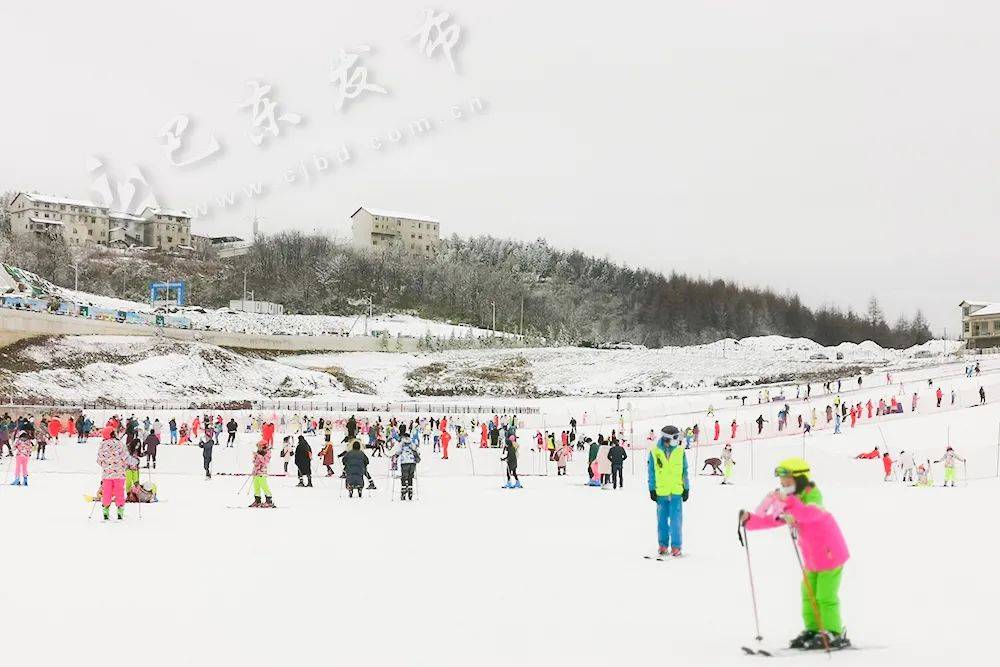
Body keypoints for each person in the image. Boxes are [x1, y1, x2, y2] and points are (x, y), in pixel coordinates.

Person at [739, 458, 851, 650]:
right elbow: (775, 519)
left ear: (800, 480)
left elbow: (812, 513)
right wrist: (750, 520)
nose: (784, 486)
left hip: (830, 555)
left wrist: (790, 505)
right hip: (812, 558)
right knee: (808, 595)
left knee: (825, 596)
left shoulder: (813, 495)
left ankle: (833, 632)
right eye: (782, 483)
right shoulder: (790, 500)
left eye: (788, 483)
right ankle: (814, 630)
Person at [647, 425, 689, 558]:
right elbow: (651, 472)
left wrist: (686, 488)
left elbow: (684, 471)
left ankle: (676, 546)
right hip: (661, 492)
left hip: (676, 492)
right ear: (667, 438)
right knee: (662, 521)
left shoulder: (680, 451)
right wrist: (652, 489)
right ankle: (663, 545)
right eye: (676, 437)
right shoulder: (655, 452)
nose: (678, 440)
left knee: (676, 521)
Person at [97, 429, 128, 520]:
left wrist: (105, 465)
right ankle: (120, 511)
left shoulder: (103, 445)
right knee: (119, 491)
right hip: (119, 473)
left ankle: (106, 510)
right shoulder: (120, 444)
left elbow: (99, 459)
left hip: (107, 474)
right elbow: (125, 457)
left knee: (107, 492)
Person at [392, 427, 419, 500]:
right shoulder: (412, 444)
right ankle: (410, 491)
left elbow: (398, 452)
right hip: (412, 462)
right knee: (410, 477)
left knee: (404, 477)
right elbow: (417, 452)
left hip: (404, 462)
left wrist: (395, 458)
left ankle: (403, 491)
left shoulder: (401, 444)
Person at [250, 440, 275, 508]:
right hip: (256, 472)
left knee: (264, 486)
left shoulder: (267, 452)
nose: (258, 448)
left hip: (262, 472)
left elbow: (265, 461)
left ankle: (269, 500)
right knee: (256, 486)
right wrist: (255, 457)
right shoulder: (259, 452)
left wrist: (258, 456)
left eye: (259, 446)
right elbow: (255, 462)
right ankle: (257, 500)